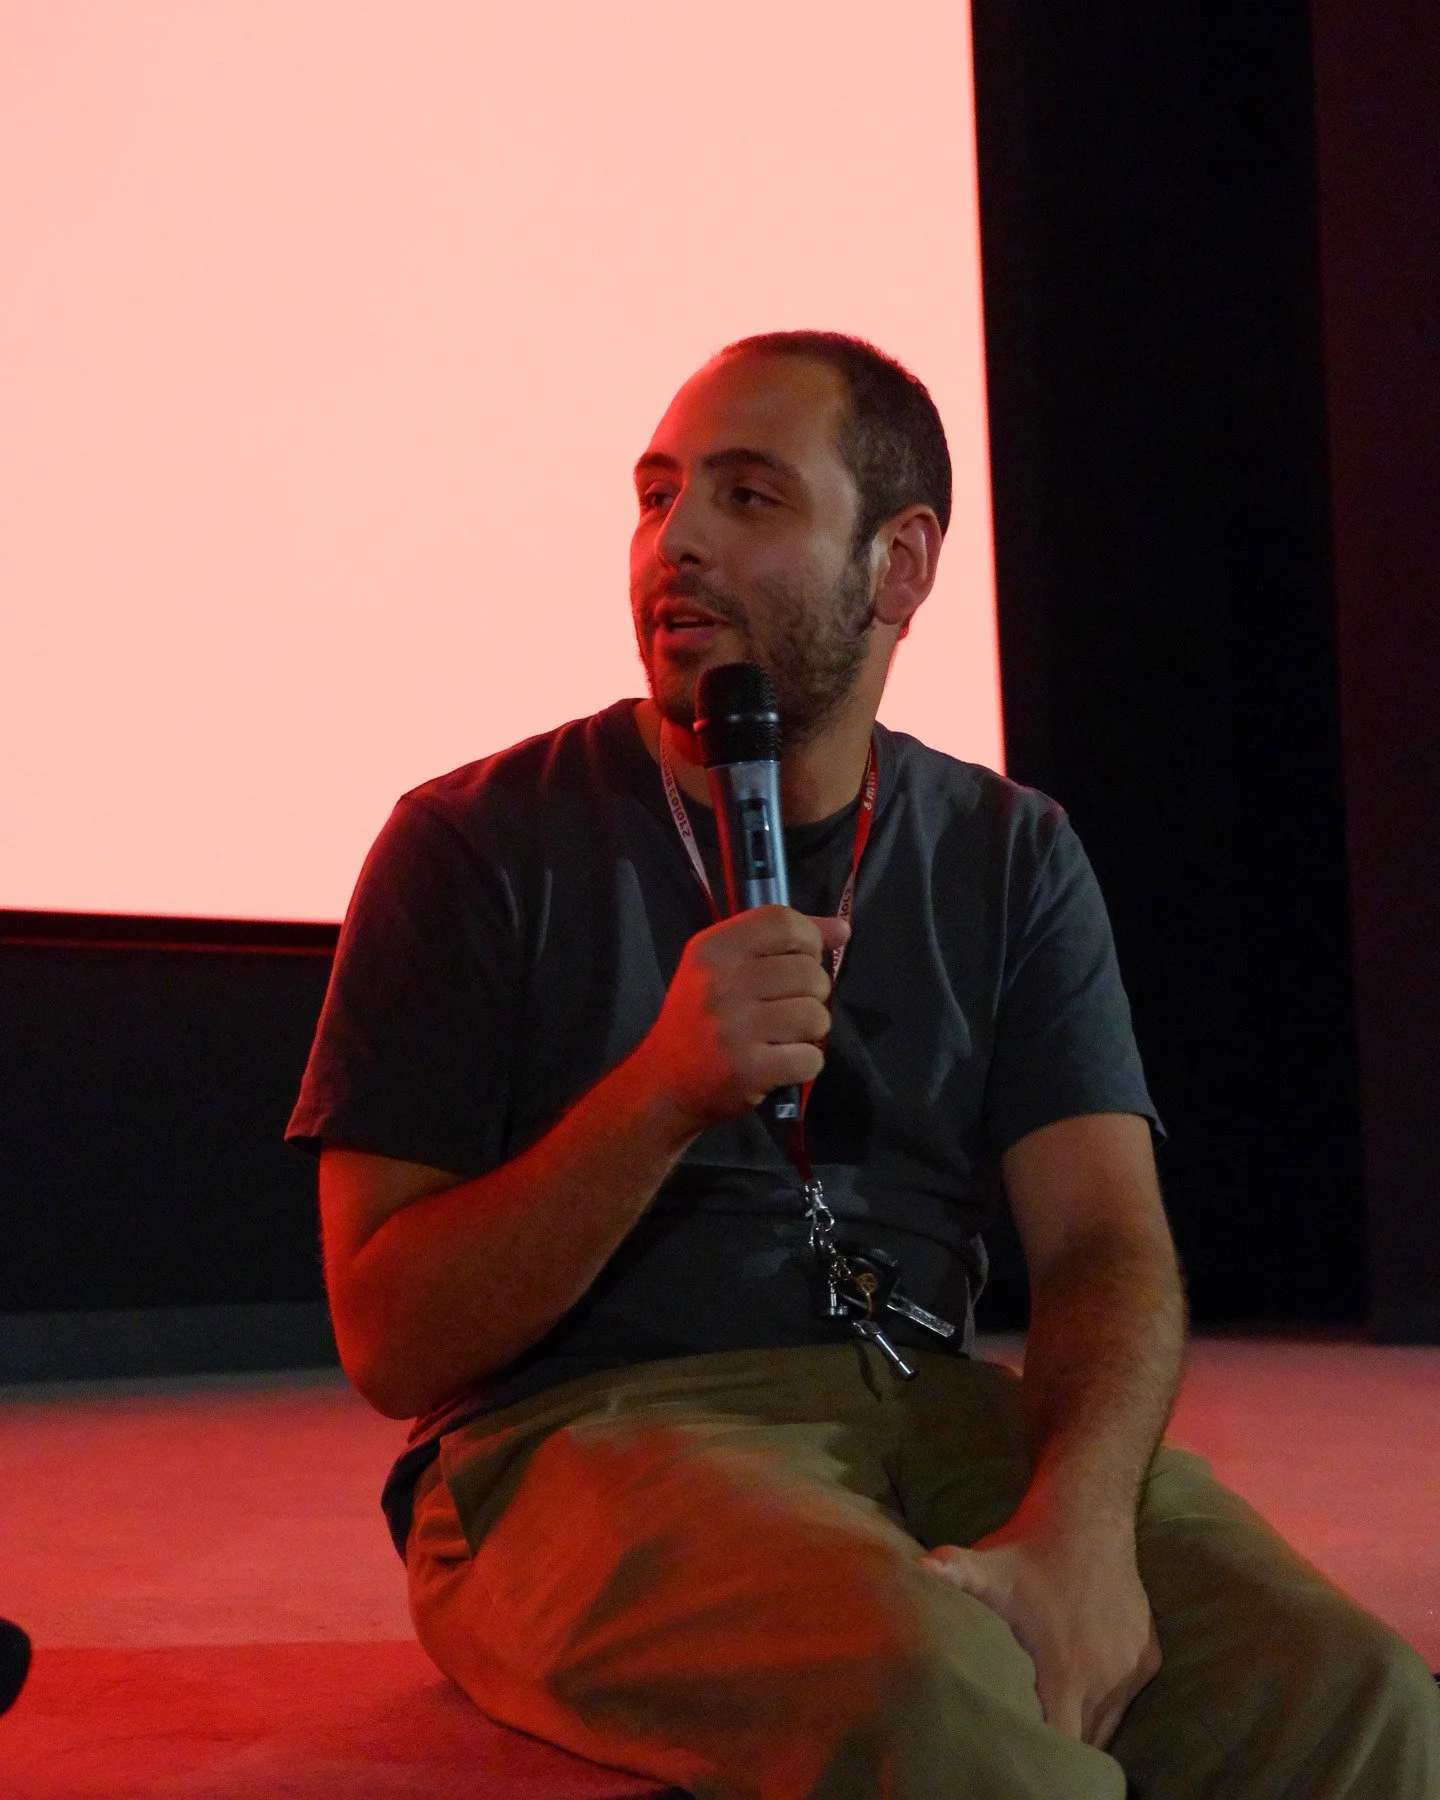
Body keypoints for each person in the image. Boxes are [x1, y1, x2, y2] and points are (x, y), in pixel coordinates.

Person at [288, 331, 1439, 1798]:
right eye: (655, 496)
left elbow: (1102, 1241)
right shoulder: (471, 844)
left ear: (900, 567)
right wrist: (658, 1095)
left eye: (749, 498)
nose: (676, 541)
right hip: (580, 1437)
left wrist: (1079, 1527)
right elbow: (391, 1339)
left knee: (1348, 1699)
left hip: (940, 1403)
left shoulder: (1012, 849)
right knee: (937, 1698)